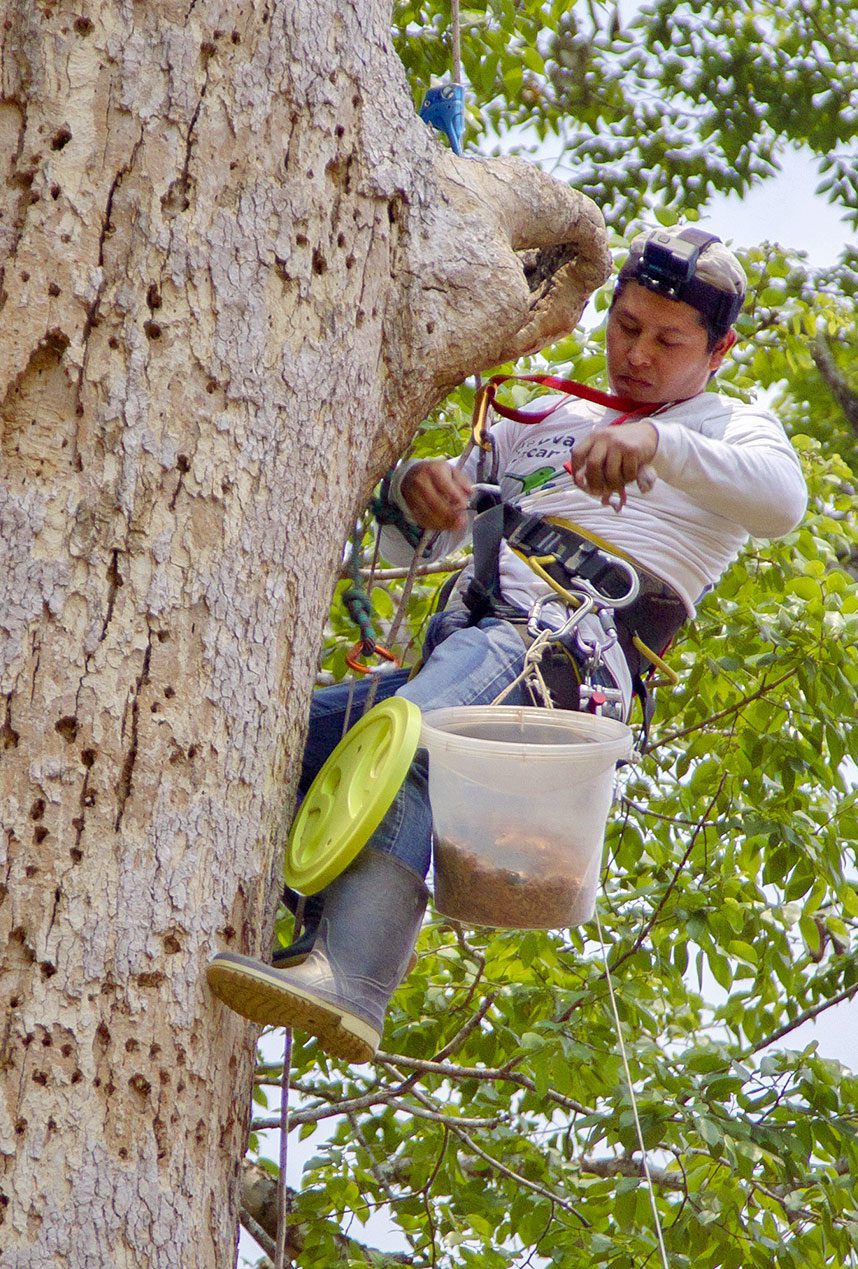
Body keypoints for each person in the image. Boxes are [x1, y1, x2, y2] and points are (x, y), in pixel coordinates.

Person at [206, 227, 808, 1063]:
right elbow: (400, 552)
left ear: (719, 352)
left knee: (413, 740)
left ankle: (353, 977)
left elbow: (782, 504)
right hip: (470, 646)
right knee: (285, 742)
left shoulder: (727, 428)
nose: (636, 354)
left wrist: (658, 442)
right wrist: (419, 492)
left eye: (668, 340)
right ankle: (308, 933)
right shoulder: (549, 418)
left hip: (556, 658)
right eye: (626, 326)